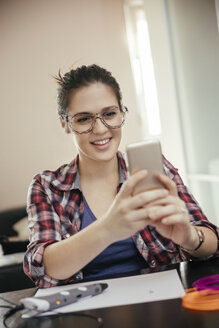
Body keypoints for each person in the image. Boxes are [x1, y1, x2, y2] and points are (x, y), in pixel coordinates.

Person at [23, 64, 219, 288]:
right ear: (65, 124)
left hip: (161, 302)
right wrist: (108, 228)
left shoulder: (154, 168)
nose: (100, 129)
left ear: (121, 112)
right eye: (84, 119)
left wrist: (190, 237)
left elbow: (211, 241)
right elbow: (44, 268)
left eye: (109, 114)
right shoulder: (47, 187)